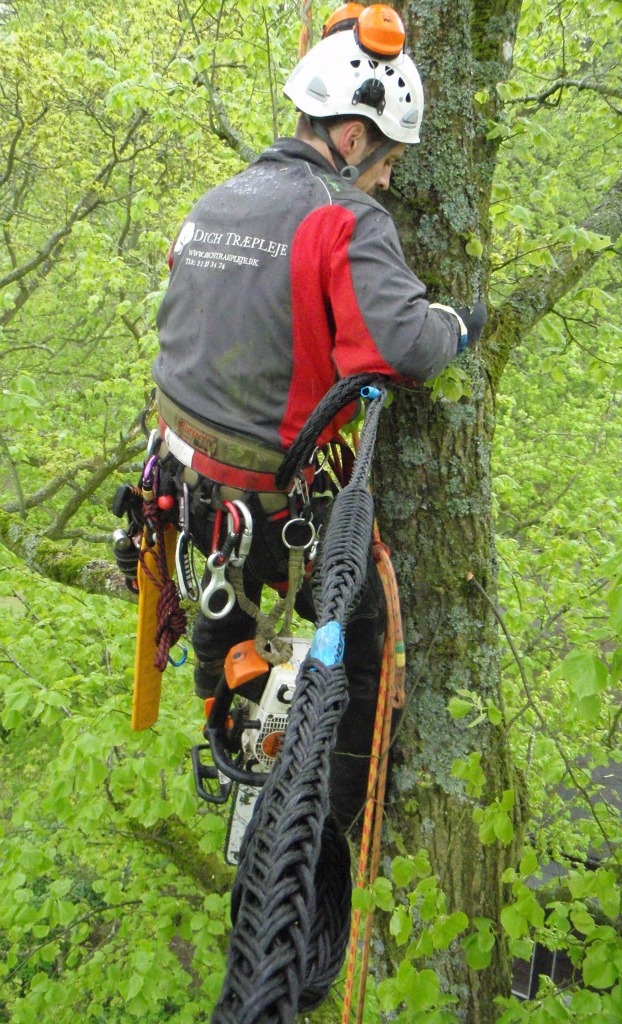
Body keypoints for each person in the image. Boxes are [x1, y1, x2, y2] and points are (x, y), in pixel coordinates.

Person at [150, 4, 486, 833]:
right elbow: (401, 346)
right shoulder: (344, 216)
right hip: (272, 501)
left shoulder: (220, 199)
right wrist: (460, 324)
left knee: (226, 586)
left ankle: (219, 700)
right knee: (365, 627)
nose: (386, 181)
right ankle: (338, 815)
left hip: (188, 483)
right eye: (387, 162)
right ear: (352, 136)